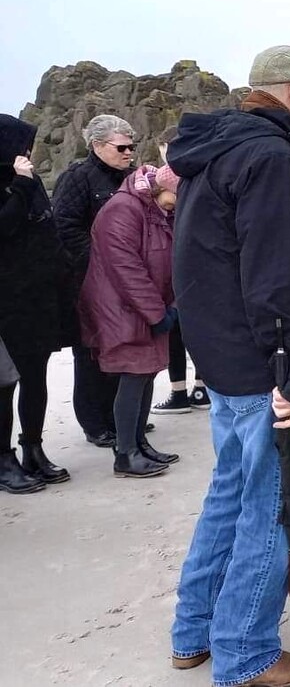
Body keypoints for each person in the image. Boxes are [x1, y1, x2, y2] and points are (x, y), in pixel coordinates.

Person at [169, 45, 290, 686]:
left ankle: (195, 630)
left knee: (231, 493)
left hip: (227, 356)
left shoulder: (218, 149)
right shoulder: (269, 155)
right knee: (273, 503)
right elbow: (273, 275)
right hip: (262, 365)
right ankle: (245, 651)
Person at [79, 164, 182, 478]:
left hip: (147, 306)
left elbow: (170, 260)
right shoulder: (122, 210)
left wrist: (170, 306)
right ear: (158, 189)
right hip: (121, 308)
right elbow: (126, 268)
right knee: (134, 375)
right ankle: (125, 453)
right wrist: (156, 313)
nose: (177, 205)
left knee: (148, 372)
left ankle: (139, 442)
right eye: (175, 197)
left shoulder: (156, 210)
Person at [52, 114, 136, 448]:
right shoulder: (78, 178)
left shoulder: (130, 178)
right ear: (98, 145)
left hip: (124, 279)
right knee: (90, 353)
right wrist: (100, 263)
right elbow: (65, 227)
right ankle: (94, 422)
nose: (129, 152)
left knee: (124, 348)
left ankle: (120, 416)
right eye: (122, 147)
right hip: (89, 280)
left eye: (132, 145)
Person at [0, 114, 73, 493]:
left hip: (39, 295)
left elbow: (46, 227)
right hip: (7, 301)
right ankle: (3, 458)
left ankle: (33, 448)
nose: (26, 153)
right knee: (4, 384)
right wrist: (20, 186)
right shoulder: (18, 182)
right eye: (21, 146)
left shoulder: (27, 181)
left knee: (36, 376)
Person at [150, 126, 209, 415]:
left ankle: (179, 392)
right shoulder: (206, 172)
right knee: (197, 329)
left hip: (180, 264)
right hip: (201, 263)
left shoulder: (173, 175)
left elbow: (165, 181)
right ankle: (201, 386)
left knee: (177, 329)